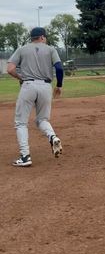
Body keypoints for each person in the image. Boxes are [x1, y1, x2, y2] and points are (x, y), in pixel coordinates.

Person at [7, 27, 64, 167]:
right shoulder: (51, 49)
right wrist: (59, 85)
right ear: (42, 37)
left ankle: (25, 157)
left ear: (32, 38)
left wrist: (20, 77)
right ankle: (52, 137)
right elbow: (59, 68)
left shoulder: (22, 49)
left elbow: (10, 69)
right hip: (46, 87)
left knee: (21, 122)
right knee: (42, 119)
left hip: (28, 86)